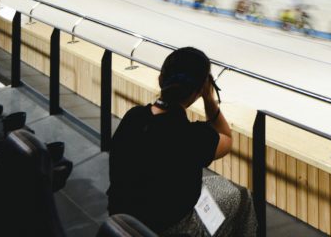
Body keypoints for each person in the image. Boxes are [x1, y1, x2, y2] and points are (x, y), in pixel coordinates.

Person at [107, 46, 256, 236]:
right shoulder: (194, 137)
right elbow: (226, 136)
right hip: (170, 230)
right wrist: (209, 99)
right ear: (200, 89)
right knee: (240, 195)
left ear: (160, 80)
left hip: (122, 223)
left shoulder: (133, 117)